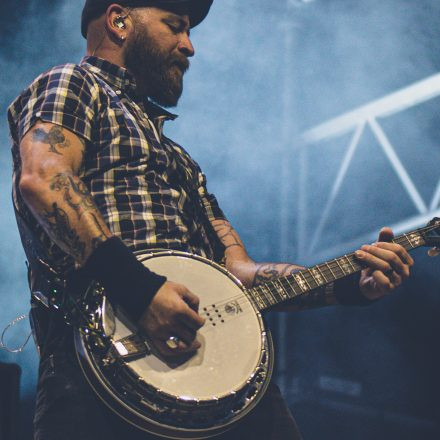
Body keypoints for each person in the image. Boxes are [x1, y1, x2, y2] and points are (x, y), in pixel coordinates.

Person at [7, 1, 414, 439]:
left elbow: (238, 276)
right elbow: (45, 179)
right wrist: (141, 292)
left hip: (213, 387)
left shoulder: (182, 162)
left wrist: (352, 283)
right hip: (96, 370)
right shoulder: (72, 83)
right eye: (175, 27)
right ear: (119, 20)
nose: (189, 46)